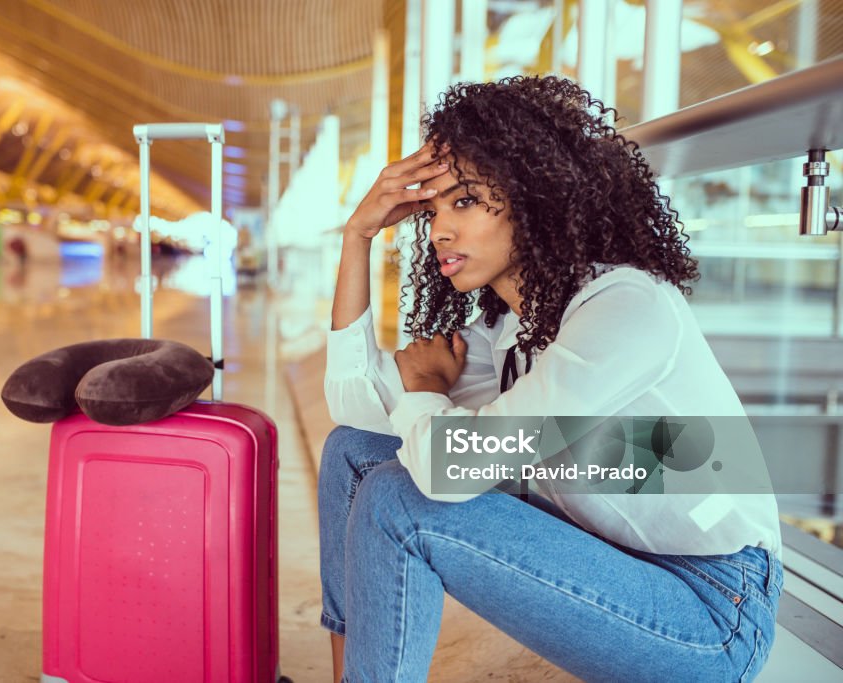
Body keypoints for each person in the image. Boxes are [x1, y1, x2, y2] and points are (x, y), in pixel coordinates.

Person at [320, 75, 782, 683]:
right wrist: (358, 236)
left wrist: (429, 392)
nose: (438, 231)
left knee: (401, 497)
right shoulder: (507, 331)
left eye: (463, 201)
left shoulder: (627, 307)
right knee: (354, 454)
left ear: (533, 193)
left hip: (713, 610)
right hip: (614, 564)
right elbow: (353, 405)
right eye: (430, 212)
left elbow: (449, 472)